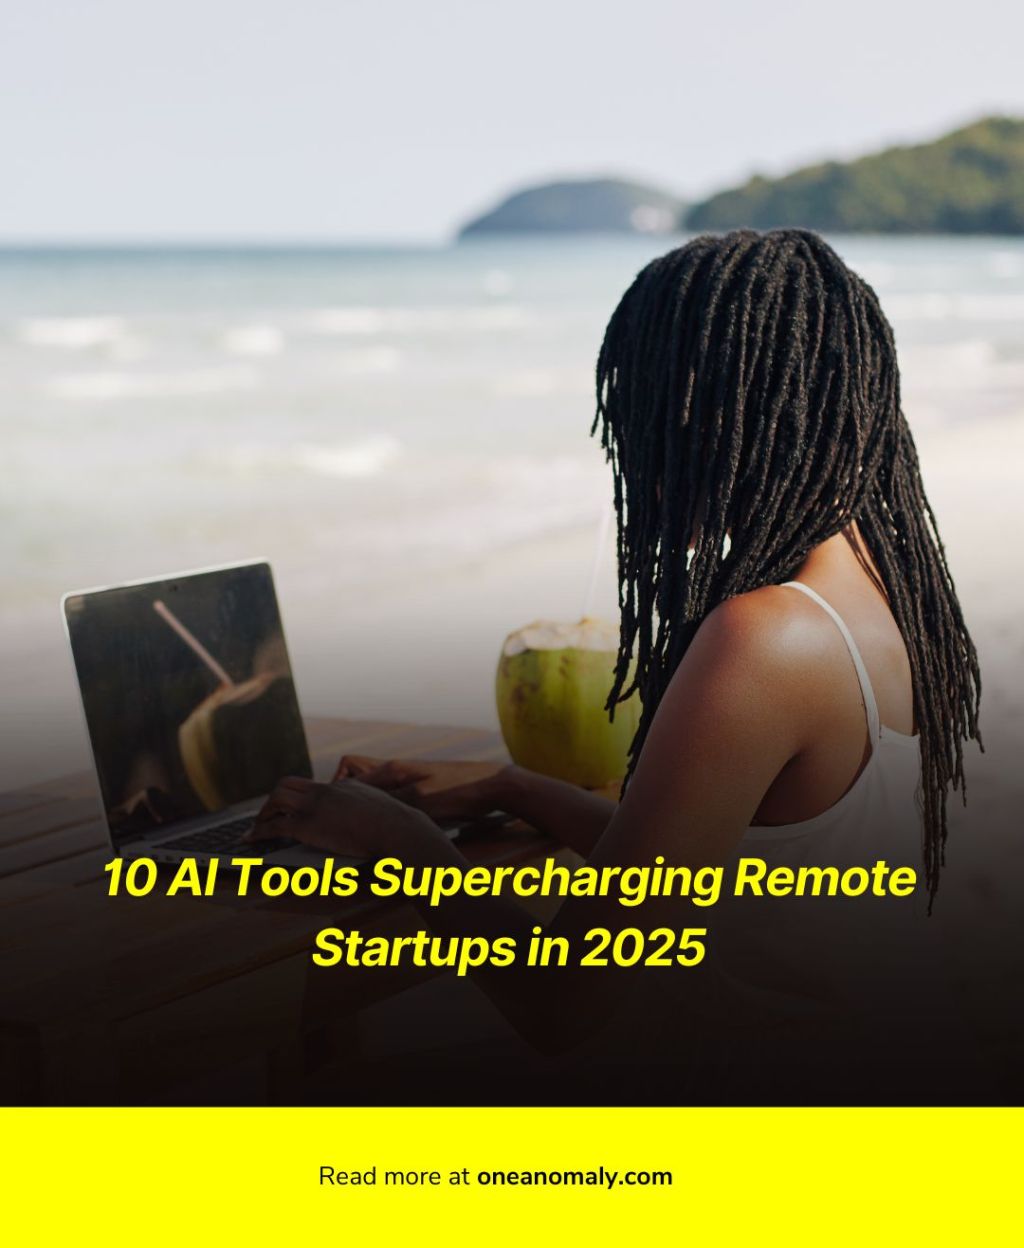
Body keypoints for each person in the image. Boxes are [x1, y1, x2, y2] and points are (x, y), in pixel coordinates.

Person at [250, 230, 982, 1100]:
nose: (633, 465)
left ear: (721, 418)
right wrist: (510, 788)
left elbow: (564, 1003)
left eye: (642, 426)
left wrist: (394, 843)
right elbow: (712, 873)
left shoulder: (763, 637)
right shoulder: (891, 599)